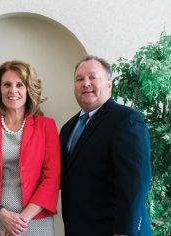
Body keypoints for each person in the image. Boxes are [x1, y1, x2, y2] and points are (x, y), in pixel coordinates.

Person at [60, 55, 152, 236]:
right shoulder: (67, 128)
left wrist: (125, 231)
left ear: (109, 84)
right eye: (80, 79)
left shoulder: (126, 120)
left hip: (115, 230)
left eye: (92, 77)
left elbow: (135, 183)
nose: (85, 83)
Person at [0, 60, 60, 236]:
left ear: (28, 90)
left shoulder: (46, 126)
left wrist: (19, 221)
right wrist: (3, 215)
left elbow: (51, 178)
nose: (13, 90)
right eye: (7, 85)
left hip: (34, 221)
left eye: (20, 85)